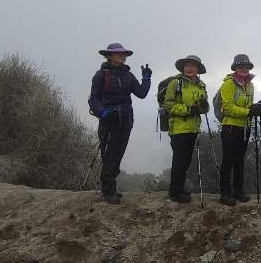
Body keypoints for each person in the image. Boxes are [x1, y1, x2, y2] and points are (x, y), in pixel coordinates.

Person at [88, 42, 151, 203]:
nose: (123, 56)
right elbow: (94, 99)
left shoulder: (128, 75)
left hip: (126, 120)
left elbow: (141, 93)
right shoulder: (100, 75)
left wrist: (146, 78)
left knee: (118, 154)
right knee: (109, 155)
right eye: (119, 54)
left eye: (124, 54)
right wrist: (103, 113)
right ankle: (108, 190)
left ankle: (112, 188)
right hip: (109, 121)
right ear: (109, 56)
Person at [218, 53, 261, 206]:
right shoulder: (228, 84)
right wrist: (249, 112)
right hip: (230, 127)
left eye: (246, 66)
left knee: (240, 161)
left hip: (244, 127)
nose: (244, 69)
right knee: (228, 161)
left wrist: (255, 107)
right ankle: (225, 193)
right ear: (235, 68)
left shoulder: (250, 85)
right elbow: (228, 108)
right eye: (241, 66)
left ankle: (238, 191)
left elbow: (247, 106)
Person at [163, 55, 209, 203]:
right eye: (187, 65)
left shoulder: (201, 85)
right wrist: (188, 110)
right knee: (179, 159)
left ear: (198, 69)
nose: (189, 68)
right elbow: (169, 104)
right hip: (178, 127)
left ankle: (179, 187)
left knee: (186, 160)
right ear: (183, 68)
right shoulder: (175, 83)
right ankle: (174, 192)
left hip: (193, 128)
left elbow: (204, 106)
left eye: (193, 66)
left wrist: (203, 107)